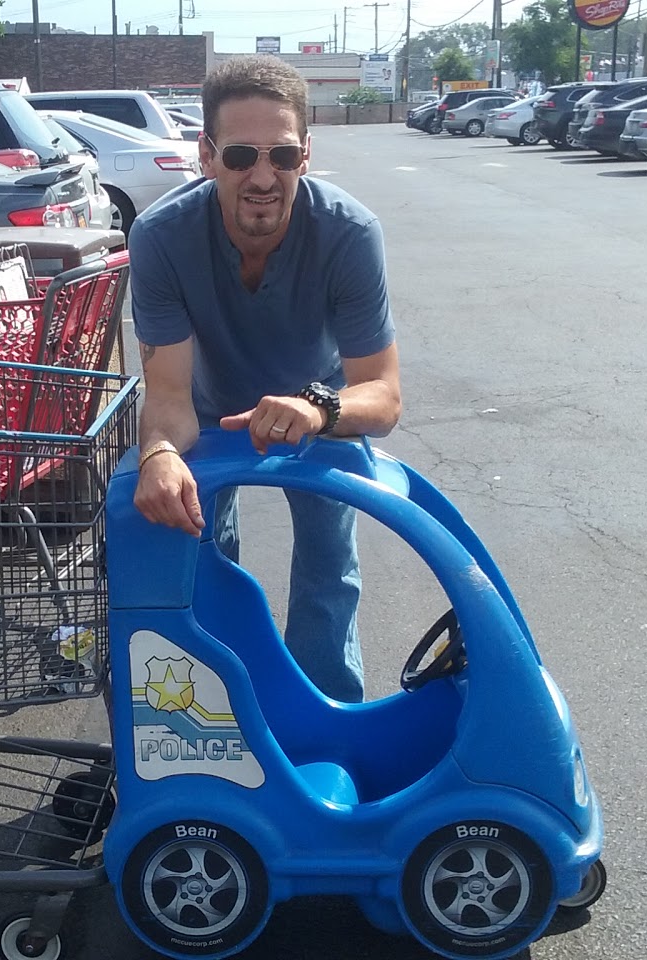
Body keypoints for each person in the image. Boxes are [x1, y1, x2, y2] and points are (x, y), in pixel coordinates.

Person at [128, 55, 402, 703]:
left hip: (318, 407)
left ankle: (325, 721)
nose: (261, 176)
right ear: (206, 155)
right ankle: (228, 714)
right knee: (203, 554)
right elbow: (168, 393)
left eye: (280, 156)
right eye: (241, 154)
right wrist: (159, 453)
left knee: (328, 571)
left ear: (305, 156)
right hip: (209, 411)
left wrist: (318, 408)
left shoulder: (349, 234)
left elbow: (383, 395)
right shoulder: (161, 238)